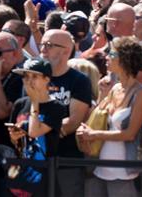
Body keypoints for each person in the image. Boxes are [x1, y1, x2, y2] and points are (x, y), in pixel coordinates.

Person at [77, 36, 142, 197]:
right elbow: (98, 119)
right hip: (99, 166)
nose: (106, 56)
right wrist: (101, 95)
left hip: (123, 171)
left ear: (125, 59)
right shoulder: (115, 88)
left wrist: (93, 135)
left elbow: (129, 134)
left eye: (112, 54)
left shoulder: (141, 93)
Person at [40, 29, 93, 196]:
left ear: (66, 50)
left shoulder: (79, 81)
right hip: (36, 160)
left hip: (66, 160)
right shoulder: (34, 77)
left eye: (49, 45)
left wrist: (38, 131)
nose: (43, 49)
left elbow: (73, 122)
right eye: (42, 44)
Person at [7, 58, 68, 196]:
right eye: (26, 77)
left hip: (44, 172)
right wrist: (14, 137)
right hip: (20, 171)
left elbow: (35, 132)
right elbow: (13, 142)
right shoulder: (20, 104)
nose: (29, 81)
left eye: (34, 76)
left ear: (47, 79)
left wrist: (35, 101)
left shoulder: (56, 107)